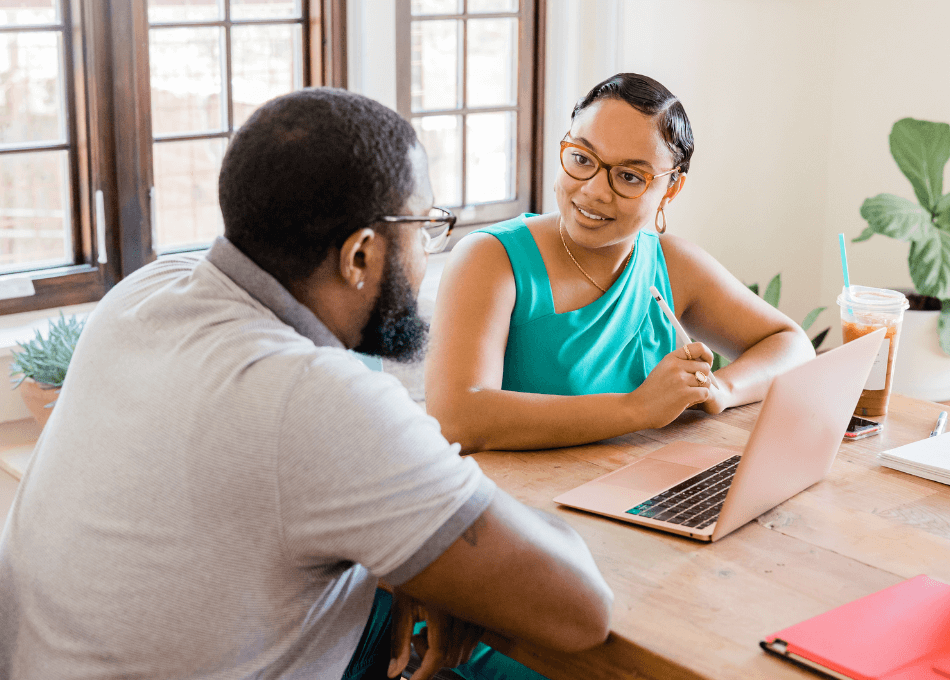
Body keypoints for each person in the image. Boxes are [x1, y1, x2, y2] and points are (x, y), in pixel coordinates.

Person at [0, 89, 613, 680]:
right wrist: (446, 557)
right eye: (423, 227)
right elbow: (581, 611)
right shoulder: (316, 399)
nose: (427, 253)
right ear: (359, 257)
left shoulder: (142, 292)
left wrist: (422, 559)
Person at [424, 73, 816, 453]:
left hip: (636, 498)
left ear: (671, 188)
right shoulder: (490, 259)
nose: (593, 190)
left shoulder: (675, 264)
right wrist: (638, 409)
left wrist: (723, 389)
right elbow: (457, 417)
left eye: (629, 177)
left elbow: (793, 345)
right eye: (581, 158)